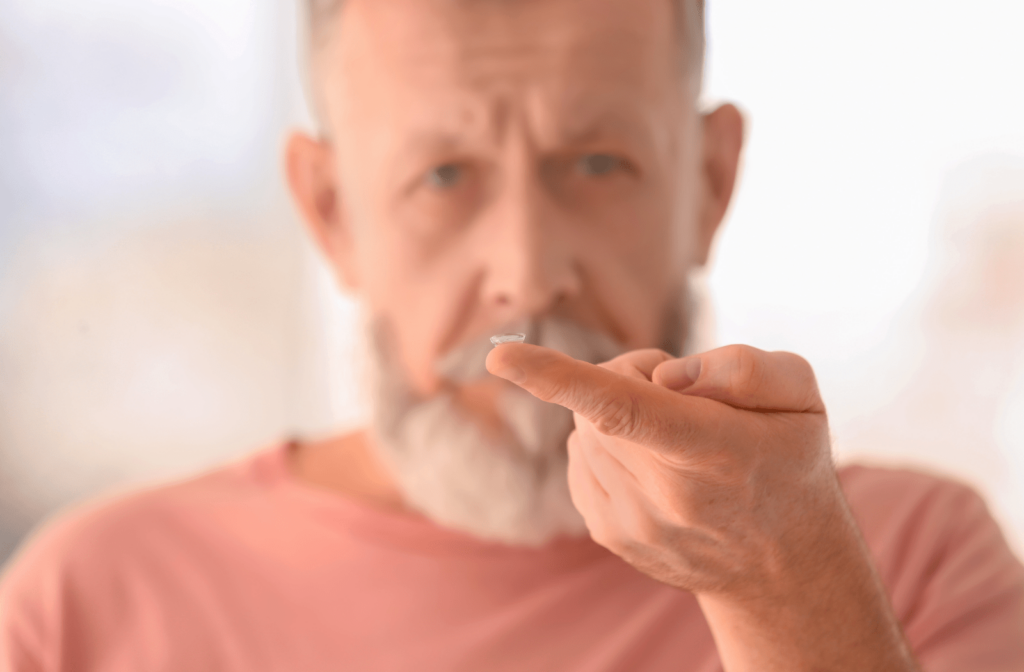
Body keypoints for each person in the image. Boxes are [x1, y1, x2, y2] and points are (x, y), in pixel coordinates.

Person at [1, 0, 1022, 669]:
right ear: (330, 213)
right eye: (443, 176)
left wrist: (789, 592)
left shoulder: (908, 564)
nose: (529, 272)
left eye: (597, 165)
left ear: (709, 184)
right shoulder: (87, 609)